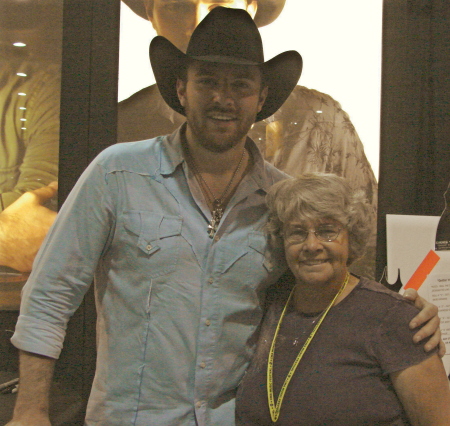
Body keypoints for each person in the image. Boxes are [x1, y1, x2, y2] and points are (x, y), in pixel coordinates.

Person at [6, 8, 442, 426]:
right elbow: (49, 294)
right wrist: (30, 411)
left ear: (261, 97)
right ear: (181, 89)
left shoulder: (281, 198)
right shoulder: (117, 172)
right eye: (207, 81)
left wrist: (404, 315)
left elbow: (327, 287)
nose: (223, 98)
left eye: (240, 85)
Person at [119, 0, 378, 278]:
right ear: (150, 13)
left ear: (252, 7)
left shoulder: (322, 123)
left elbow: (365, 250)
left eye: (218, 6)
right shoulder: (121, 134)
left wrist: (397, 311)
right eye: (178, 7)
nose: (197, 24)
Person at [235, 174, 450, 425]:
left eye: (327, 231)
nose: (311, 245)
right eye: (297, 232)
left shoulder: (397, 320)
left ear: (352, 236)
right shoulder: (268, 305)